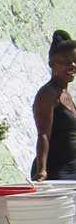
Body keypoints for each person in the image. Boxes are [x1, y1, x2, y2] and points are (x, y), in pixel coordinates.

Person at [31, 30, 76, 181]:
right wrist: (42, 170)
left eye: (75, 60)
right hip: (58, 172)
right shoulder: (48, 94)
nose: (72, 65)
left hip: (72, 170)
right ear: (52, 64)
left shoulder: (66, 94)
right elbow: (43, 134)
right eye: (66, 61)